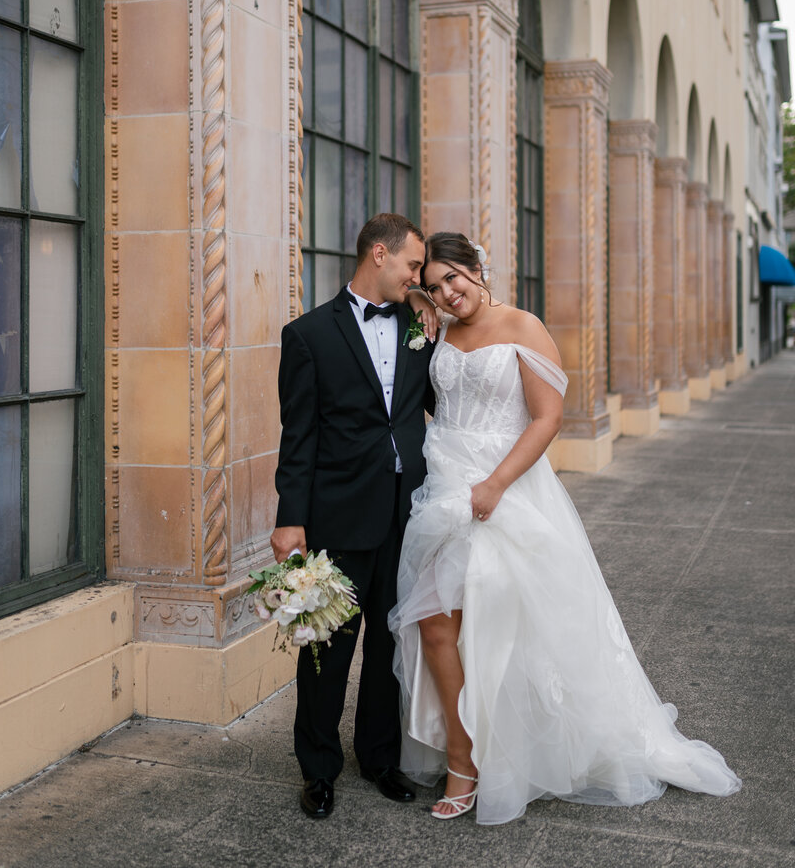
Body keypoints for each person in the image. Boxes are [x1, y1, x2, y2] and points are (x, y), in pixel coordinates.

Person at [389, 232, 741, 825]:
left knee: (509, 624)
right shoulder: (439, 331)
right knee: (434, 627)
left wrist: (496, 484)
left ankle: (521, 750)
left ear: (479, 269)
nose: (448, 292)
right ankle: (462, 759)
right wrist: (421, 309)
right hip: (445, 486)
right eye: (435, 285)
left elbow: (549, 417)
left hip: (507, 489)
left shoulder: (525, 326)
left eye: (455, 277)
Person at [272, 213, 435, 820]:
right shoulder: (309, 335)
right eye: (412, 264)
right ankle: (317, 769)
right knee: (327, 650)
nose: (416, 277)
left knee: (391, 643)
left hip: (408, 513)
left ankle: (380, 758)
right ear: (378, 255)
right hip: (338, 516)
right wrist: (292, 519)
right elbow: (299, 437)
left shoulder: (421, 328)